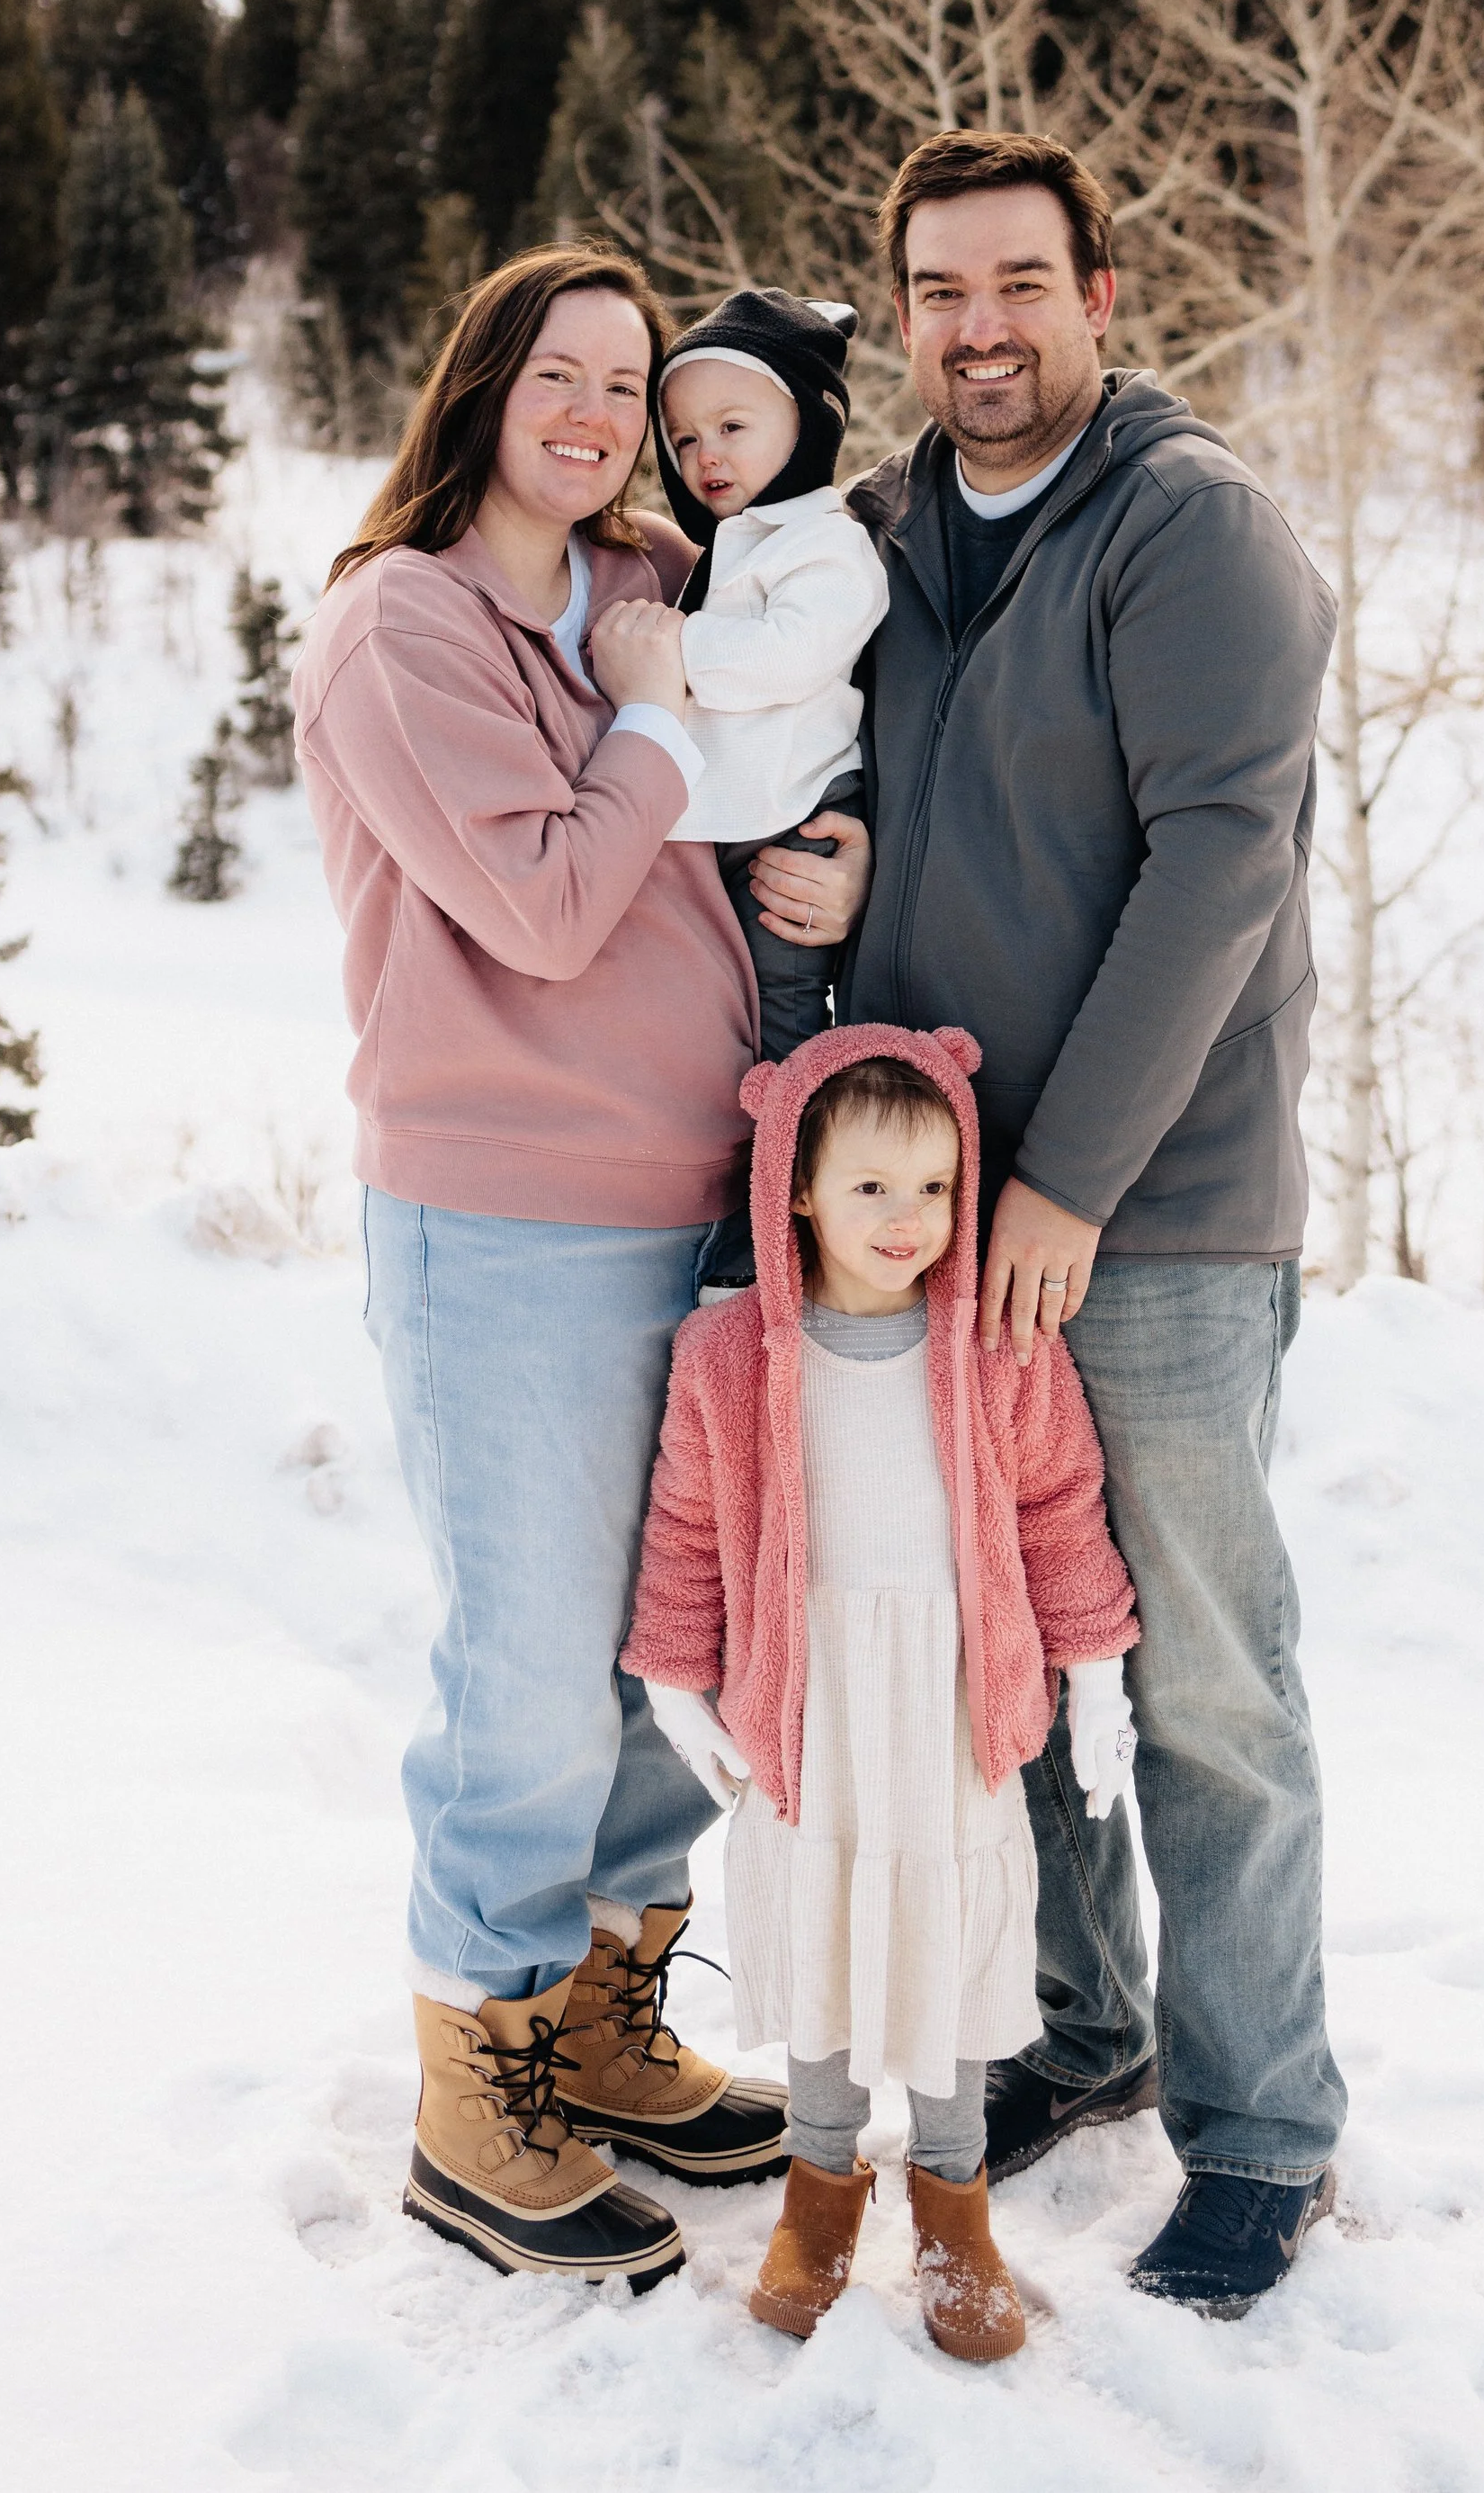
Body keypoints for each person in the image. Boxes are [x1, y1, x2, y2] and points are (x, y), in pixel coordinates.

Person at [291, 245, 868, 2294]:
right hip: (508, 1211)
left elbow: (739, 778)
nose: (601, 411)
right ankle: (483, 2078)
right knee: (531, 1665)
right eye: (562, 370)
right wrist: (643, 730)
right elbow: (541, 901)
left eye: (629, 382)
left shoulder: (642, 583)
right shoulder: (402, 629)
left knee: (653, 1655)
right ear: (481, 383)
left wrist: (815, 856)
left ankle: (606, 2017)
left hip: (696, 1186)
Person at [839, 130, 1347, 2318]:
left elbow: (1217, 866)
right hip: (935, 1217)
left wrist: (1068, 1183)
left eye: (1021, 281)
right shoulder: (871, 537)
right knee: (1002, 1672)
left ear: (1103, 295)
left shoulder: (1189, 525)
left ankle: (1258, 2123)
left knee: (1206, 1679)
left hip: (1154, 1214)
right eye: (942, 288)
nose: (981, 324)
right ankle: (1088, 2025)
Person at [621, 1025, 1139, 2362]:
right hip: (813, 1704)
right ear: (796, 1186)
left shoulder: (999, 1351)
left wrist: (1094, 1680)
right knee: (829, 1928)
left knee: (949, 1937)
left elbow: (1060, 1513)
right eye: (869, 1189)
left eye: (932, 1188)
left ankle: (953, 2203)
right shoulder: (729, 1355)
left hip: (951, 1705)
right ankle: (822, 2186)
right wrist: (680, 1682)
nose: (905, 1220)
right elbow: (685, 1528)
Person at [648, 286, 890, 1285]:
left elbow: (790, 656)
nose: (708, 454)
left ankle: (772, 1234)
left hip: (797, 823)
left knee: (789, 1032)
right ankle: (753, 1201)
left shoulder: (828, 544)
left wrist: (669, 649)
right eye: (685, 435)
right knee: (734, 1033)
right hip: (738, 823)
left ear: (807, 423)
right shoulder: (727, 549)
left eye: (735, 427)